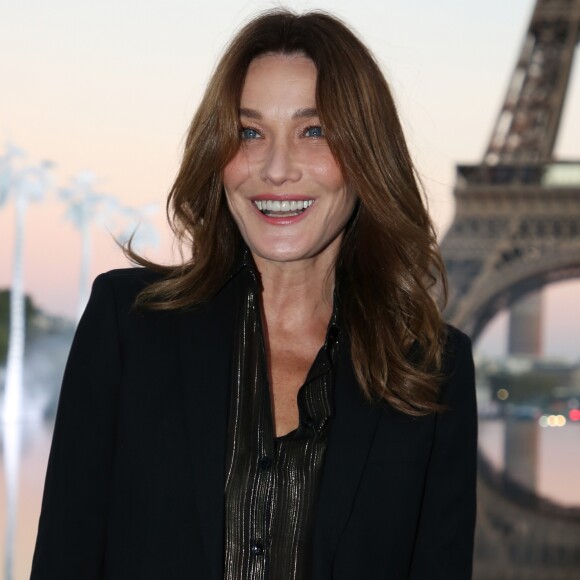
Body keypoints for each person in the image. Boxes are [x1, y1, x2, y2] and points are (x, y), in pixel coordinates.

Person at [31, 9, 477, 580]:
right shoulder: (128, 326)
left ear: (367, 158)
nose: (276, 168)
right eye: (250, 132)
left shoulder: (431, 371)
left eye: (313, 131)